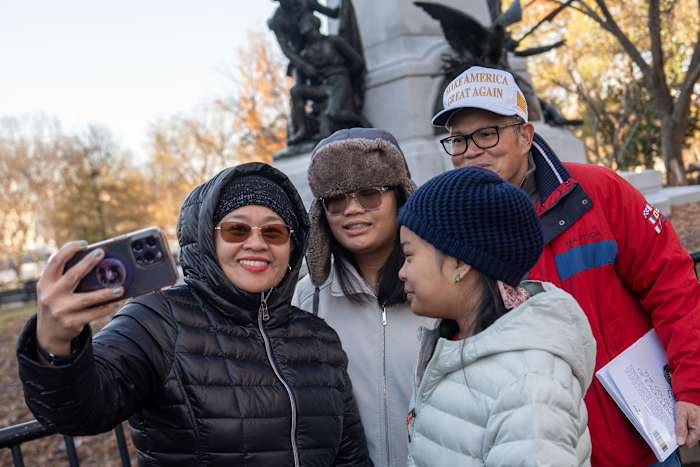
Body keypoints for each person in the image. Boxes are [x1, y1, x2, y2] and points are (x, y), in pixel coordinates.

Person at [16, 162, 372, 467]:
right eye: (236, 229)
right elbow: (79, 411)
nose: (256, 243)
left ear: (292, 247)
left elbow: (349, 455)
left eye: (274, 231)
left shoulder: (319, 337)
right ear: (206, 239)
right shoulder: (155, 322)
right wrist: (55, 343)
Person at [431, 64, 700, 466]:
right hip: (537, 451)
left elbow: (673, 287)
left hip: (641, 445)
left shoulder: (600, 192)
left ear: (525, 135)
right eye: (458, 140)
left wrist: (692, 386)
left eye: (487, 134)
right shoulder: (447, 235)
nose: (471, 150)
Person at [397, 166, 596, 466]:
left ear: (459, 263)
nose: (402, 272)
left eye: (409, 256)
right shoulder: (451, 342)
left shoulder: (527, 387)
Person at [293, 127, 434, 467]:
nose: (352, 209)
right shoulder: (307, 298)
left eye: (370, 194)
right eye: (336, 199)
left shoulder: (442, 288)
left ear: (401, 196)